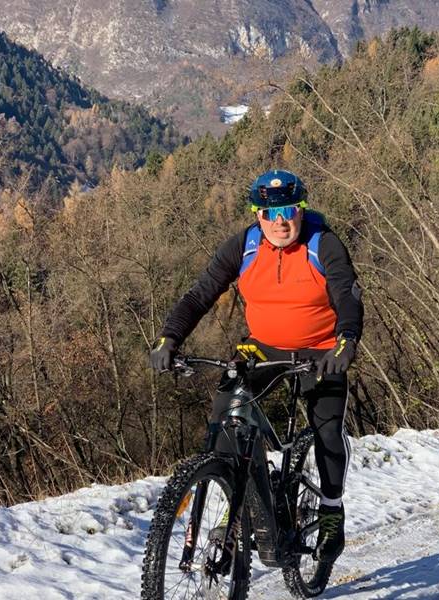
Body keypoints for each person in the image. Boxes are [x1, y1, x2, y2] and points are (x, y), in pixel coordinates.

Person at [150, 168, 363, 568]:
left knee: (328, 429)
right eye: (269, 212)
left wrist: (346, 340)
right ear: (257, 214)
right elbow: (199, 295)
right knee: (228, 413)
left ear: (302, 209)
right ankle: (239, 501)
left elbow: (347, 296)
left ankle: (332, 511)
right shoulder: (245, 246)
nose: (280, 221)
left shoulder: (324, 245)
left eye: (288, 209)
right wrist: (169, 338)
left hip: (320, 350)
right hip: (263, 347)